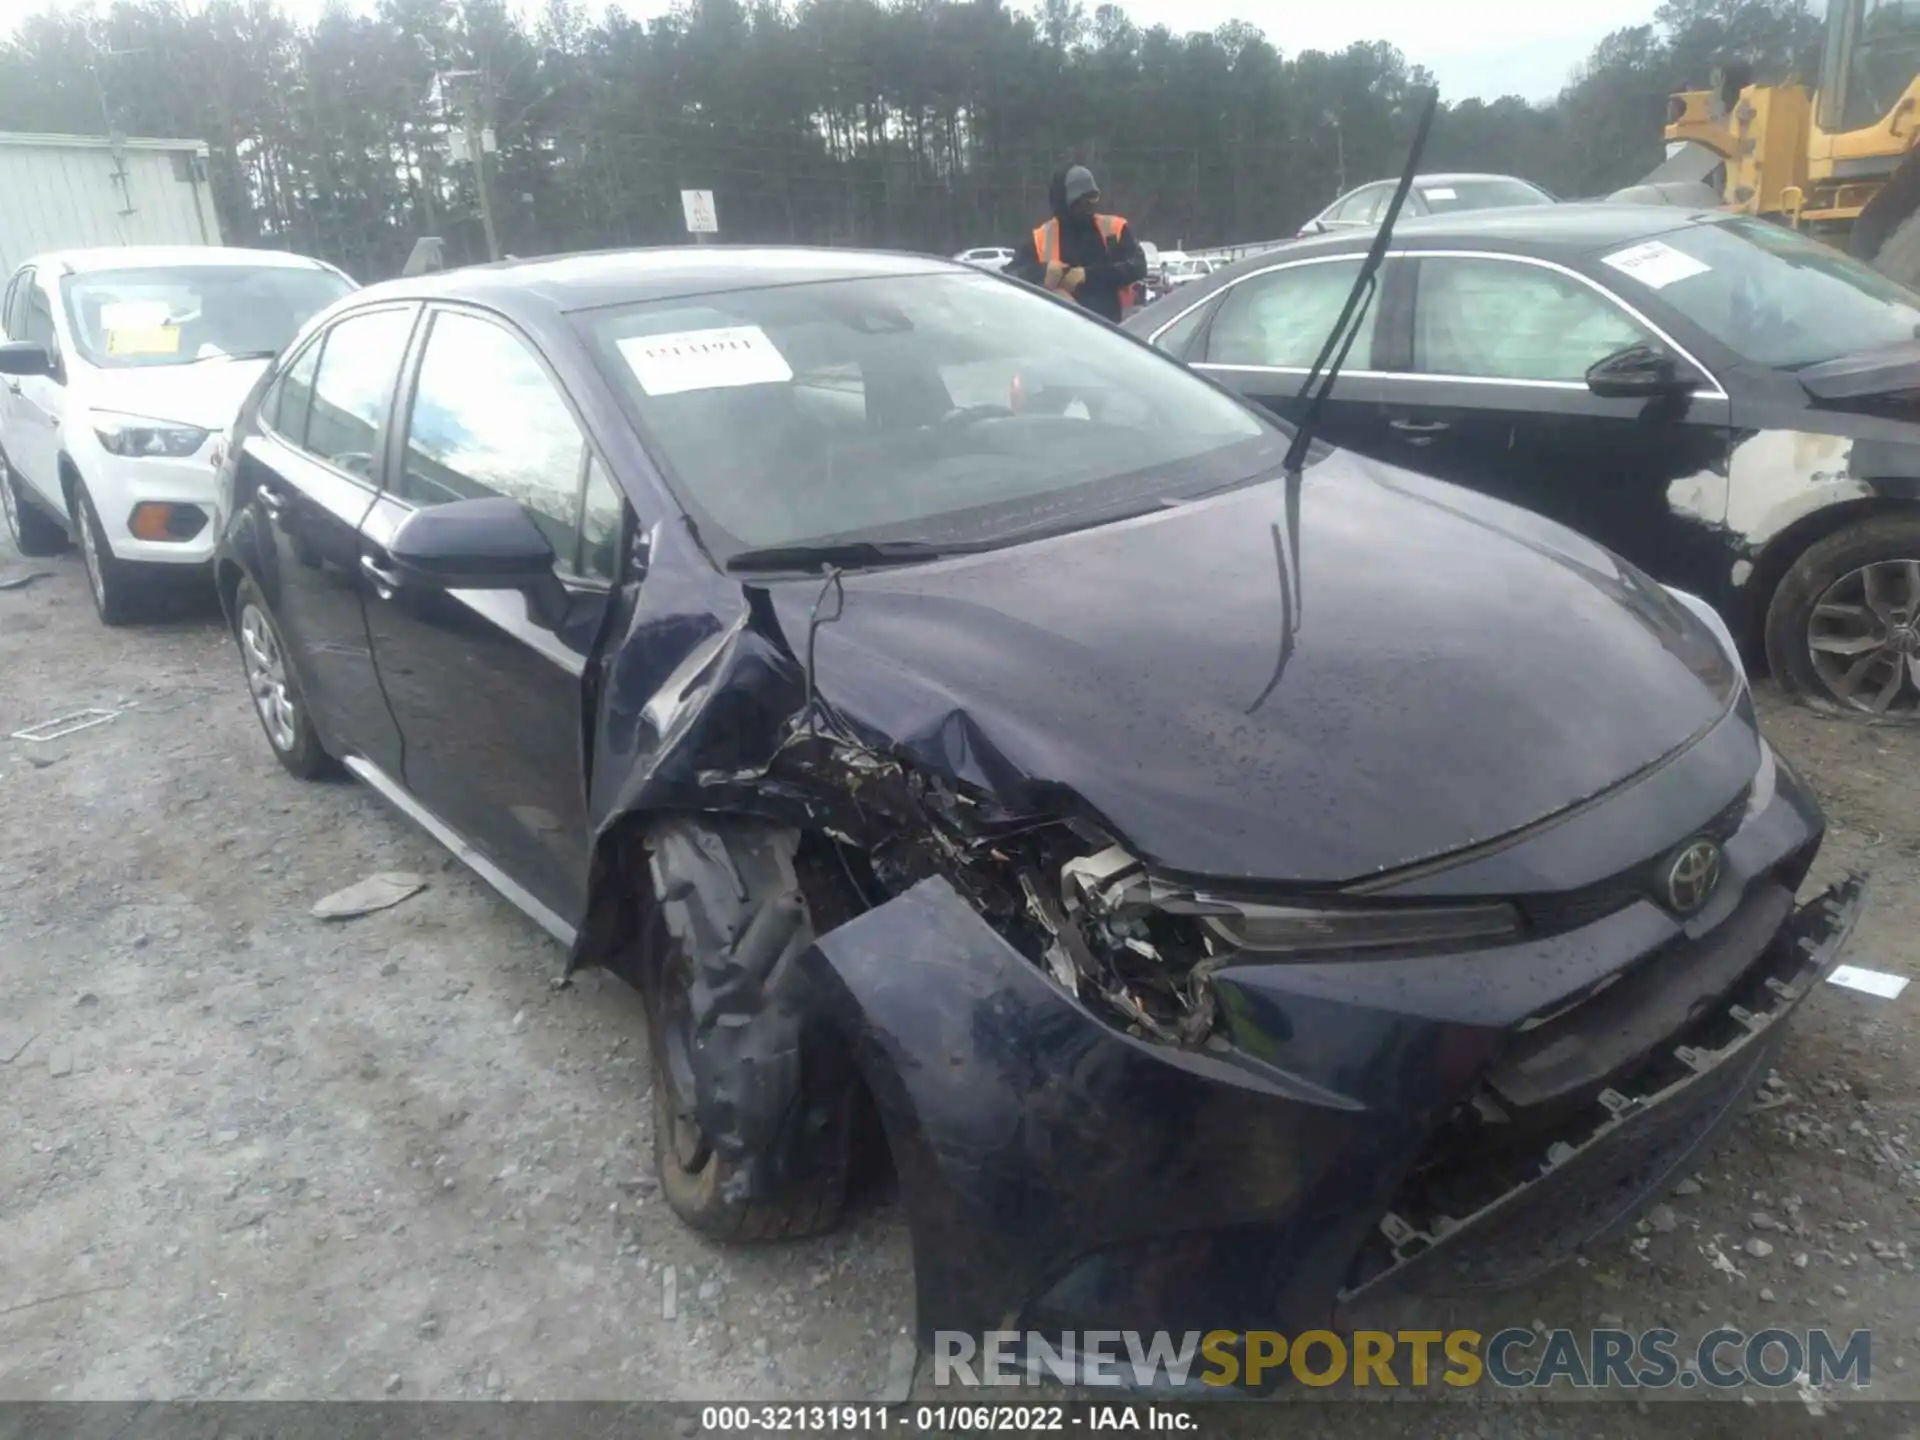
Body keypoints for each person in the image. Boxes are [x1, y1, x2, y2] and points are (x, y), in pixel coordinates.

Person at [1005, 164, 1148, 324]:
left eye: (1093, 197)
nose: (1090, 205)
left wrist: (1088, 275)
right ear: (1065, 202)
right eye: (1082, 200)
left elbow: (1138, 266)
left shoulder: (1113, 229)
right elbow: (1009, 276)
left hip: (1114, 331)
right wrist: (1043, 271)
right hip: (1061, 334)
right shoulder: (1043, 237)